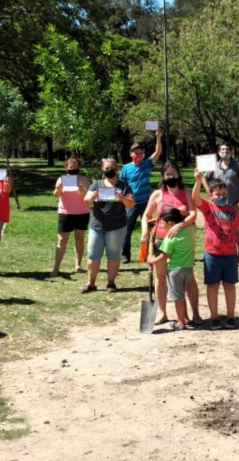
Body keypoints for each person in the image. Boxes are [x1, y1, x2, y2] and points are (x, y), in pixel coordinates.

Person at [140, 163, 202, 324]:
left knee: (188, 278)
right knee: (161, 278)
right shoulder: (157, 194)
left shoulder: (186, 193)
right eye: (167, 174)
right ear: (163, 176)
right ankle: (162, 313)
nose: (171, 176)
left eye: (173, 173)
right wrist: (145, 231)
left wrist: (180, 224)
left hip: (182, 241)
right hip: (161, 239)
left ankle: (195, 313)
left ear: (179, 174)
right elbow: (146, 216)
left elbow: (194, 215)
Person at [193, 170, 239, 330]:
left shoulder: (232, 211)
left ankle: (231, 316)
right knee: (213, 285)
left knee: (230, 285)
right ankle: (214, 317)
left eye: (224, 193)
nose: (221, 196)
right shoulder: (208, 207)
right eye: (217, 194)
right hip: (212, 254)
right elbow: (195, 199)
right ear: (211, 195)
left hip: (229, 255)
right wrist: (198, 181)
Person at [82, 158, 135, 293]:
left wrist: (122, 198)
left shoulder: (123, 186)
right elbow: (86, 201)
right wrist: (91, 197)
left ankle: (111, 283)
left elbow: (131, 204)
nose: (109, 170)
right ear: (102, 170)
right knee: (93, 255)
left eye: (112, 167)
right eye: (106, 168)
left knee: (113, 255)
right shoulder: (96, 184)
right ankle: (90, 283)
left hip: (116, 227)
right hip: (97, 226)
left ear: (117, 170)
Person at [146, 208, 197, 330]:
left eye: (163, 223)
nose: (162, 226)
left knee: (177, 297)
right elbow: (193, 222)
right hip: (188, 269)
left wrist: (152, 260)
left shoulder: (169, 238)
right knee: (182, 294)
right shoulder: (190, 230)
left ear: (170, 223)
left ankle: (180, 323)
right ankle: (185, 318)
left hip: (174, 271)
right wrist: (185, 215)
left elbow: (165, 255)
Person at [119, 129, 162, 263]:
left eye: (141, 153)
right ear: (131, 154)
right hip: (131, 205)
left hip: (146, 204)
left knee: (149, 231)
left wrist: (158, 138)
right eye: (136, 153)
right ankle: (126, 256)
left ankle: (147, 254)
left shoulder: (147, 164)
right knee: (127, 231)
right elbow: (121, 184)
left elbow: (158, 152)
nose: (139, 155)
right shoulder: (126, 168)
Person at [203, 142, 239, 266]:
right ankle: (224, 254)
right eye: (222, 149)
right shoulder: (213, 166)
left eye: (228, 149)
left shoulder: (238, 166)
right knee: (221, 231)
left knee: (238, 231)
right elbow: (203, 178)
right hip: (217, 207)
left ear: (231, 151)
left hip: (234, 206)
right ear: (218, 152)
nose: (225, 151)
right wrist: (209, 193)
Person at [50, 156, 91, 277]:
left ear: (79, 167)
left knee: (79, 238)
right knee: (62, 240)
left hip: (82, 212)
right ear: (67, 167)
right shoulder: (61, 179)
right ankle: (56, 268)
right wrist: (58, 189)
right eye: (70, 167)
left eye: (75, 167)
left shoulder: (83, 180)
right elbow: (56, 195)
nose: (73, 169)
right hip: (65, 213)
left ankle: (78, 266)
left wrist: (82, 190)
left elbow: (88, 197)